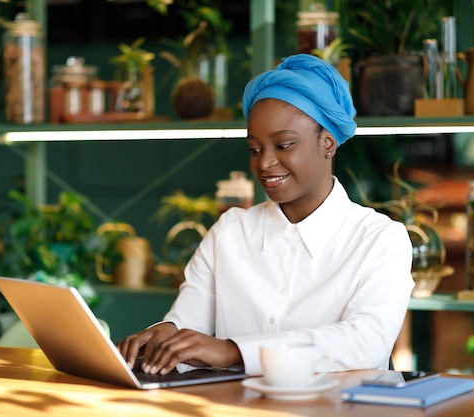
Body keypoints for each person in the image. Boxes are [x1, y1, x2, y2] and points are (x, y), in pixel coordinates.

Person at [117, 53, 414, 376]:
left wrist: (233, 351)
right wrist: (167, 333)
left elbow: (364, 343)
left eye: (284, 145)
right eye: (255, 149)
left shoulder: (380, 238)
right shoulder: (230, 230)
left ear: (327, 143)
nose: (264, 163)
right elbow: (189, 321)